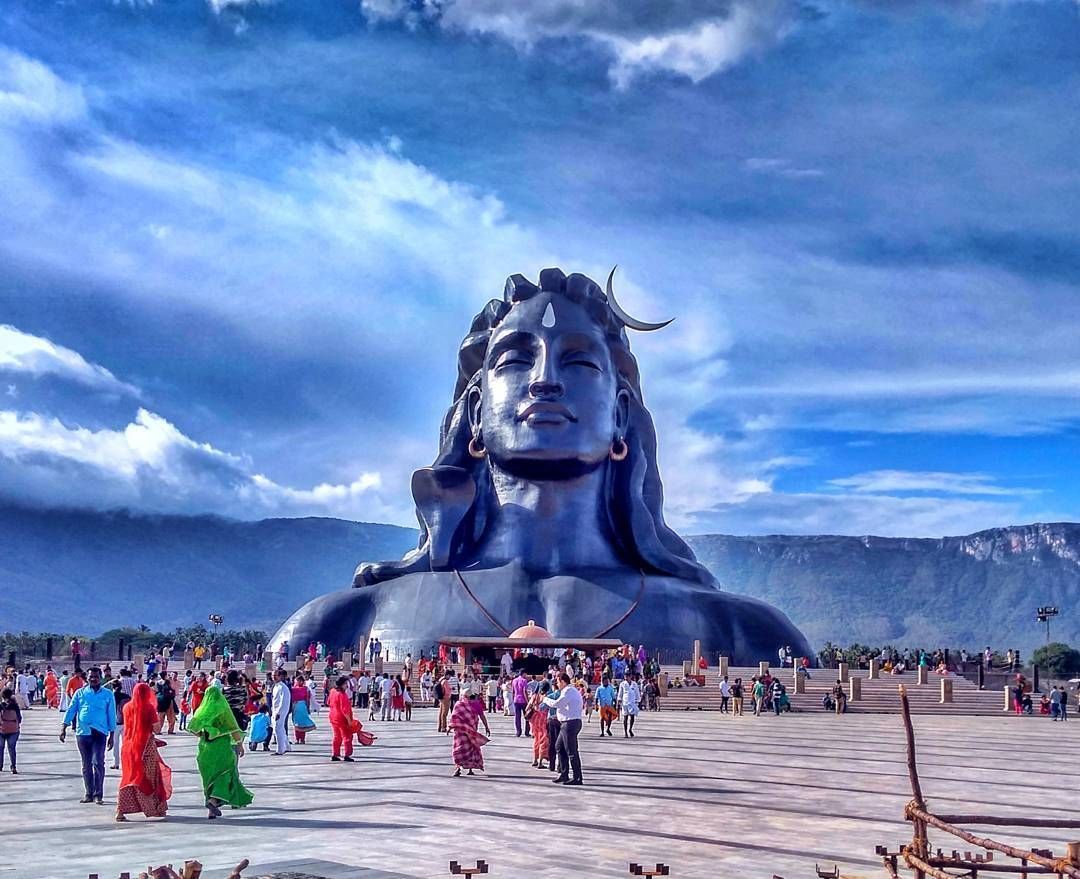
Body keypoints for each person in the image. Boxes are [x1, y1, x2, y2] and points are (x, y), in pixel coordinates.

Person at [188, 686, 253, 819]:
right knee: (225, 774)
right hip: (222, 748)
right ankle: (213, 802)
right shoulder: (223, 710)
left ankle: (211, 810)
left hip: (205, 749)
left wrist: (202, 734)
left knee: (209, 778)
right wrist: (239, 745)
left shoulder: (202, 710)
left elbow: (193, 727)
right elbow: (233, 728)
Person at [115, 682, 172, 822]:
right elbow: (157, 729)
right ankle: (154, 808)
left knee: (129, 777)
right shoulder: (148, 708)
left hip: (128, 747)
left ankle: (120, 810)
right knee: (149, 778)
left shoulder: (127, 707)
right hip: (145, 748)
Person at [60, 667, 116, 804]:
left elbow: (111, 714)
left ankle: (98, 795)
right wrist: (64, 727)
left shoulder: (108, 694)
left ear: (100, 677)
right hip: (83, 733)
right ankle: (88, 793)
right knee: (86, 765)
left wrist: (112, 734)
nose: (93, 679)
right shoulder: (80, 693)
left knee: (98, 763)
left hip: (100, 733)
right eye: (91, 676)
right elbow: (72, 709)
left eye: (96, 676)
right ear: (87, 677)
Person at [543, 672, 583, 786]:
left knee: (571, 751)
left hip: (570, 723)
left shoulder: (568, 691)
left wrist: (545, 699)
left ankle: (577, 777)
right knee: (559, 747)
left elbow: (557, 704)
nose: (557, 684)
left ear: (563, 681)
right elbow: (566, 707)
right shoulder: (568, 691)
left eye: (558, 682)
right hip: (567, 722)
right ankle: (564, 774)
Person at [449, 691, 491, 777]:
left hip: (461, 731)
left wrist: (449, 727)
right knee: (471, 747)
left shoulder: (459, 704)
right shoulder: (475, 704)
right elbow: (482, 716)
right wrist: (487, 727)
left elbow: (454, 718)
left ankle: (458, 768)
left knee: (460, 748)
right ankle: (469, 769)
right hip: (471, 730)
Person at [328, 676, 356, 762]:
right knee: (347, 736)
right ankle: (347, 755)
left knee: (337, 736)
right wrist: (349, 721)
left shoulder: (332, 691)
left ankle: (335, 754)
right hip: (341, 718)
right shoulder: (342, 695)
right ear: (341, 685)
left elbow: (328, 702)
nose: (347, 686)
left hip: (333, 717)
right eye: (345, 684)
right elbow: (345, 710)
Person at [527, 681, 552, 768]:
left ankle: (535, 760)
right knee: (543, 741)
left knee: (536, 740)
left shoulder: (534, 696)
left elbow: (527, 707)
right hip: (543, 721)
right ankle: (540, 762)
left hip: (535, 720)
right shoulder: (546, 698)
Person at [110, 678, 132, 769]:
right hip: (125, 722)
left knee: (115, 744)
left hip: (114, 723)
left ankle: (116, 763)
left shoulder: (110, 697)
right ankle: (126, 762)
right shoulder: (127, 697)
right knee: (125, 743)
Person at [271, 669, 292, 755]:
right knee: (281, 728)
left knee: (277, 728)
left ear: (280, 676)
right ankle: (287, 746)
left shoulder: (283, 687)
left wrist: (279, 713)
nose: (274, 677)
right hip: (275, 710)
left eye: (275, 675)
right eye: (273, 676)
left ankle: (280, 749)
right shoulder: (275, 686)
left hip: (280, 711)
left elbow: (284, 701)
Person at [0, 688, 20, 774]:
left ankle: (0, 766)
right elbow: (19, 718)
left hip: (1, 730)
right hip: (14, 730)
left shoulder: (0, 705)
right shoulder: (15, 706)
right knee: (12, 749)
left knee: (1, 748)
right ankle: (13, 766)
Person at [291, 675, 316, 743]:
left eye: (299, 681)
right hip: (295, 707)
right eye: (297, 681)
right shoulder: (293, 689)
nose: (298, 682)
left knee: (303, 722)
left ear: (302, 681)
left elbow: (307, 699)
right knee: (296, 723)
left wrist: (308, 708)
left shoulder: (306, 689)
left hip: (302, 706)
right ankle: (297, 738)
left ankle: (302, 738)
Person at [618, 672, 641, 738]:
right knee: (625, 717)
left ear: (630, 676)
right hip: (625, 702)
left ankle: (630, 729)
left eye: (627, 676)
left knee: (632, 717)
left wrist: (638, 700)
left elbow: (637, 692)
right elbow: (620, 693)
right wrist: (619, 700)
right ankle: (625, 732)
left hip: (632, 702)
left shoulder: (634, 684)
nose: (626, 677)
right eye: (625, 676)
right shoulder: (622, 684)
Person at [512, 669, 529, 737]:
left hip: (516, 700)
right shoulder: (524, 680)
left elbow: (513, 691)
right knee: (527, 716)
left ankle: (518, 731)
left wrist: (514, 698)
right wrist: (528, 701)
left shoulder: (514, 680)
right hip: (523, 700)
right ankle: (527, 731)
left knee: (517, 717)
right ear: (523, 673)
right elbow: (524, 691)